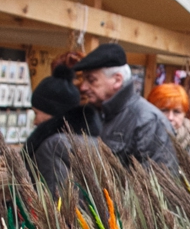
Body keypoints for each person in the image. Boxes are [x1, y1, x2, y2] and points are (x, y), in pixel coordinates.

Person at [74, 43, 178, 172]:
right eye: (83, 80)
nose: (83, 87)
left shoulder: (149, 122)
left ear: (117, 80)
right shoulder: (96, 113)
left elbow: (160, 183)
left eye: (91, 80)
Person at [26, 63, 98, 190]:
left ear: (53, 113)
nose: (35, 121)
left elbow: (55, 199)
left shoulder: (52, 146)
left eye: (37, 113)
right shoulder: (87, 139)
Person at [147, 82, 190, 158]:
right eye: (164, 110)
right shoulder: (140, 141)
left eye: (176, 112)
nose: (170, 117)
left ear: (184, 114)